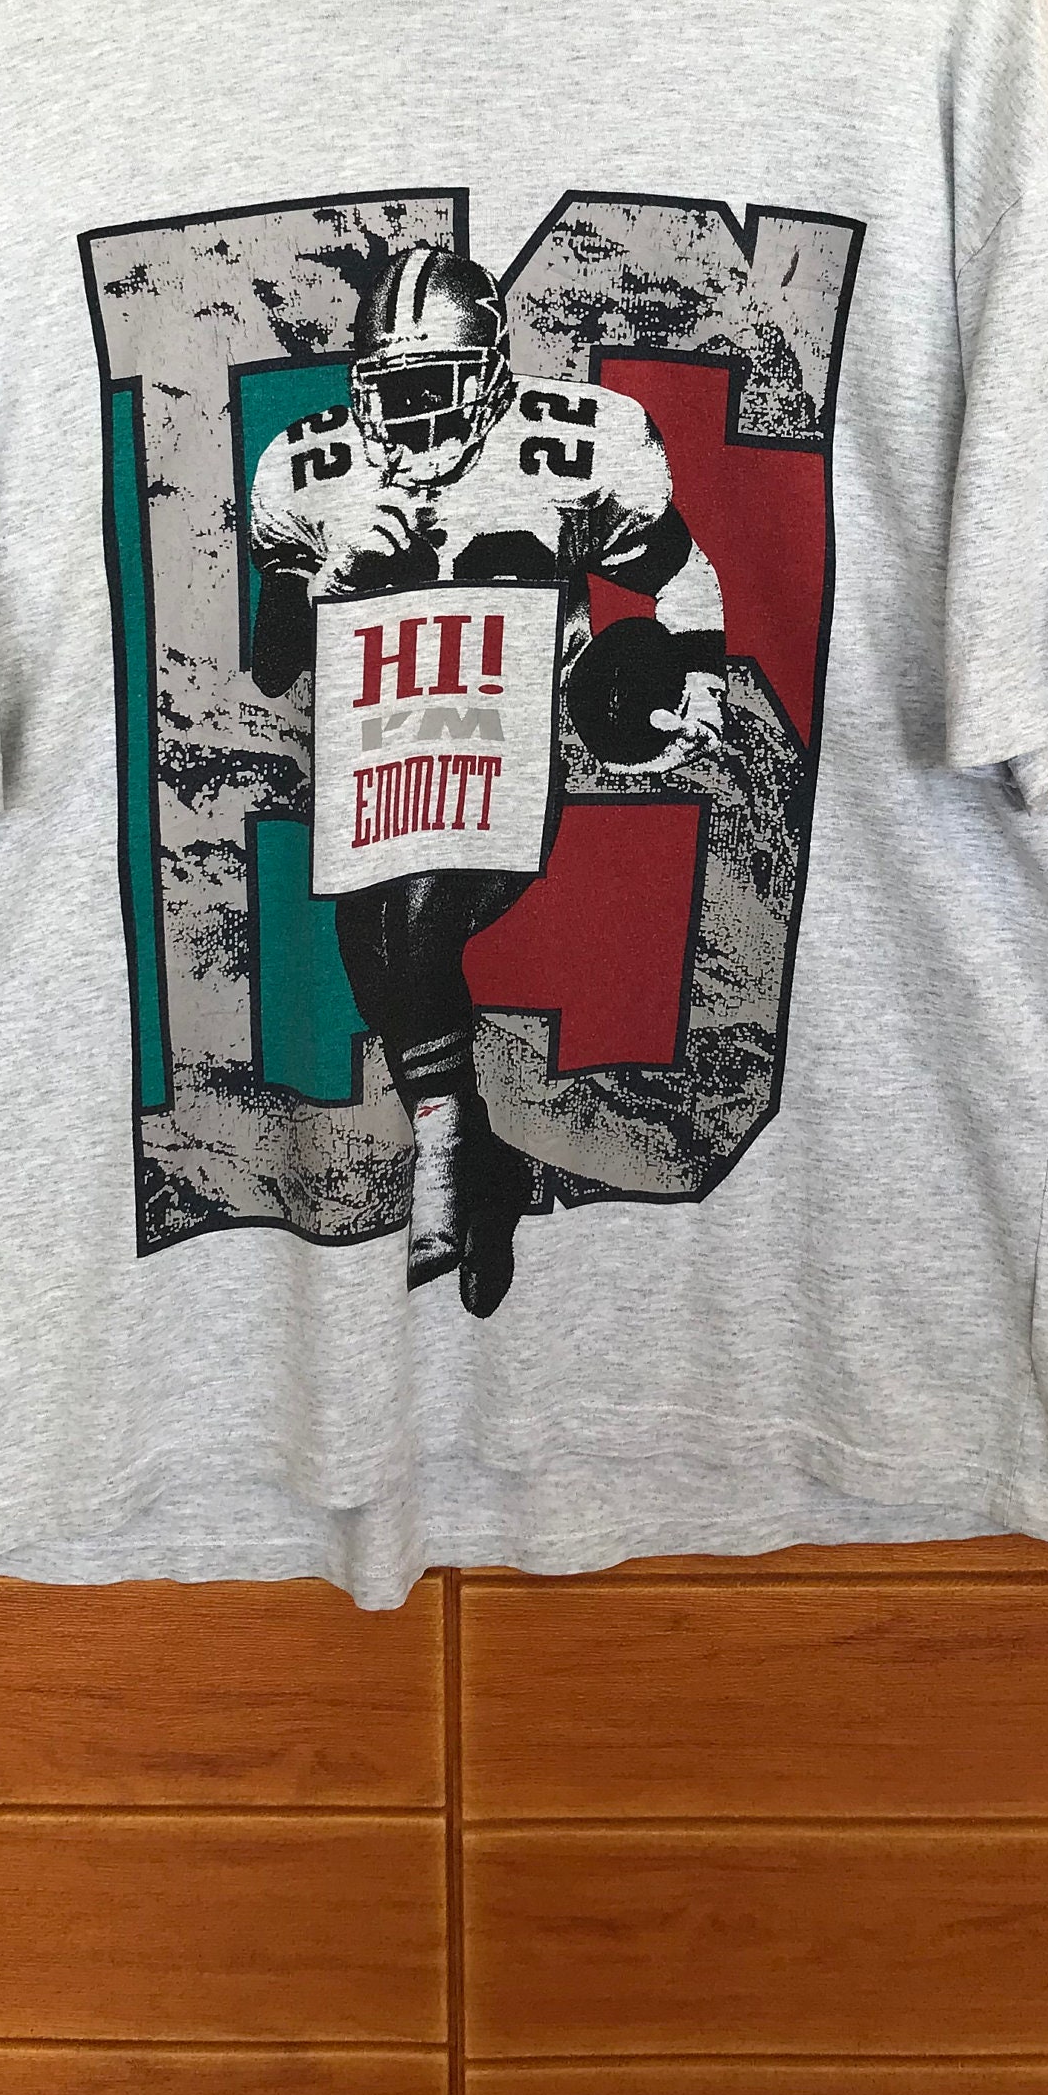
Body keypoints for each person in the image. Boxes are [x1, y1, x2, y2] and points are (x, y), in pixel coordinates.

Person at [247, 242, 727, 1315]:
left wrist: (700, 677)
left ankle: (445, 1160)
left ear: (492, 372)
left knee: (412, 908)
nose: (413, 417)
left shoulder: (575, 446)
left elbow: (683, 572)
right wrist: (326, 579)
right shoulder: (311, 471)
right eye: (394, 391)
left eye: (436, 386)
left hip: (506, 740)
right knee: (370, 935)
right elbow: (273, 664)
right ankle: (488, 1163)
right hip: (376, 747)